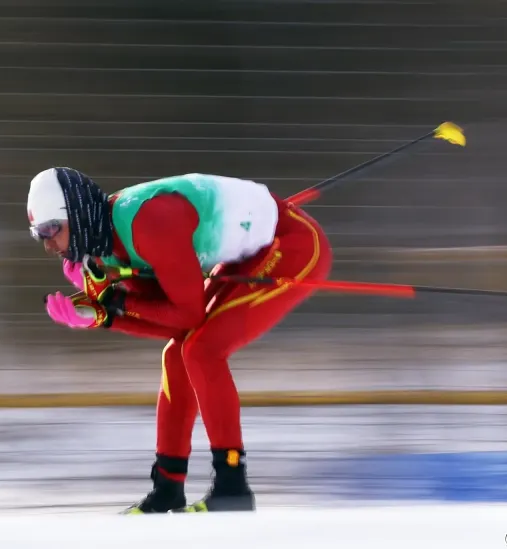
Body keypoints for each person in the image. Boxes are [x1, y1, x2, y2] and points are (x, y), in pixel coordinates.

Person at [27, 167, 333, 513]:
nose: (48, 245)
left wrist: (115, 302)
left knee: (202, 351)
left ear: (78, 214)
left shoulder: (148, 225)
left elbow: (188, 316)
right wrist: (105, 317)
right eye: (39, 234)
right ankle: (168, 488)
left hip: (291, 244)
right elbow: (174, 326)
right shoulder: (105, 248)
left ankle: (232, 485)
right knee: (179, 354)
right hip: (249, 252)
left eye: (51, 229)